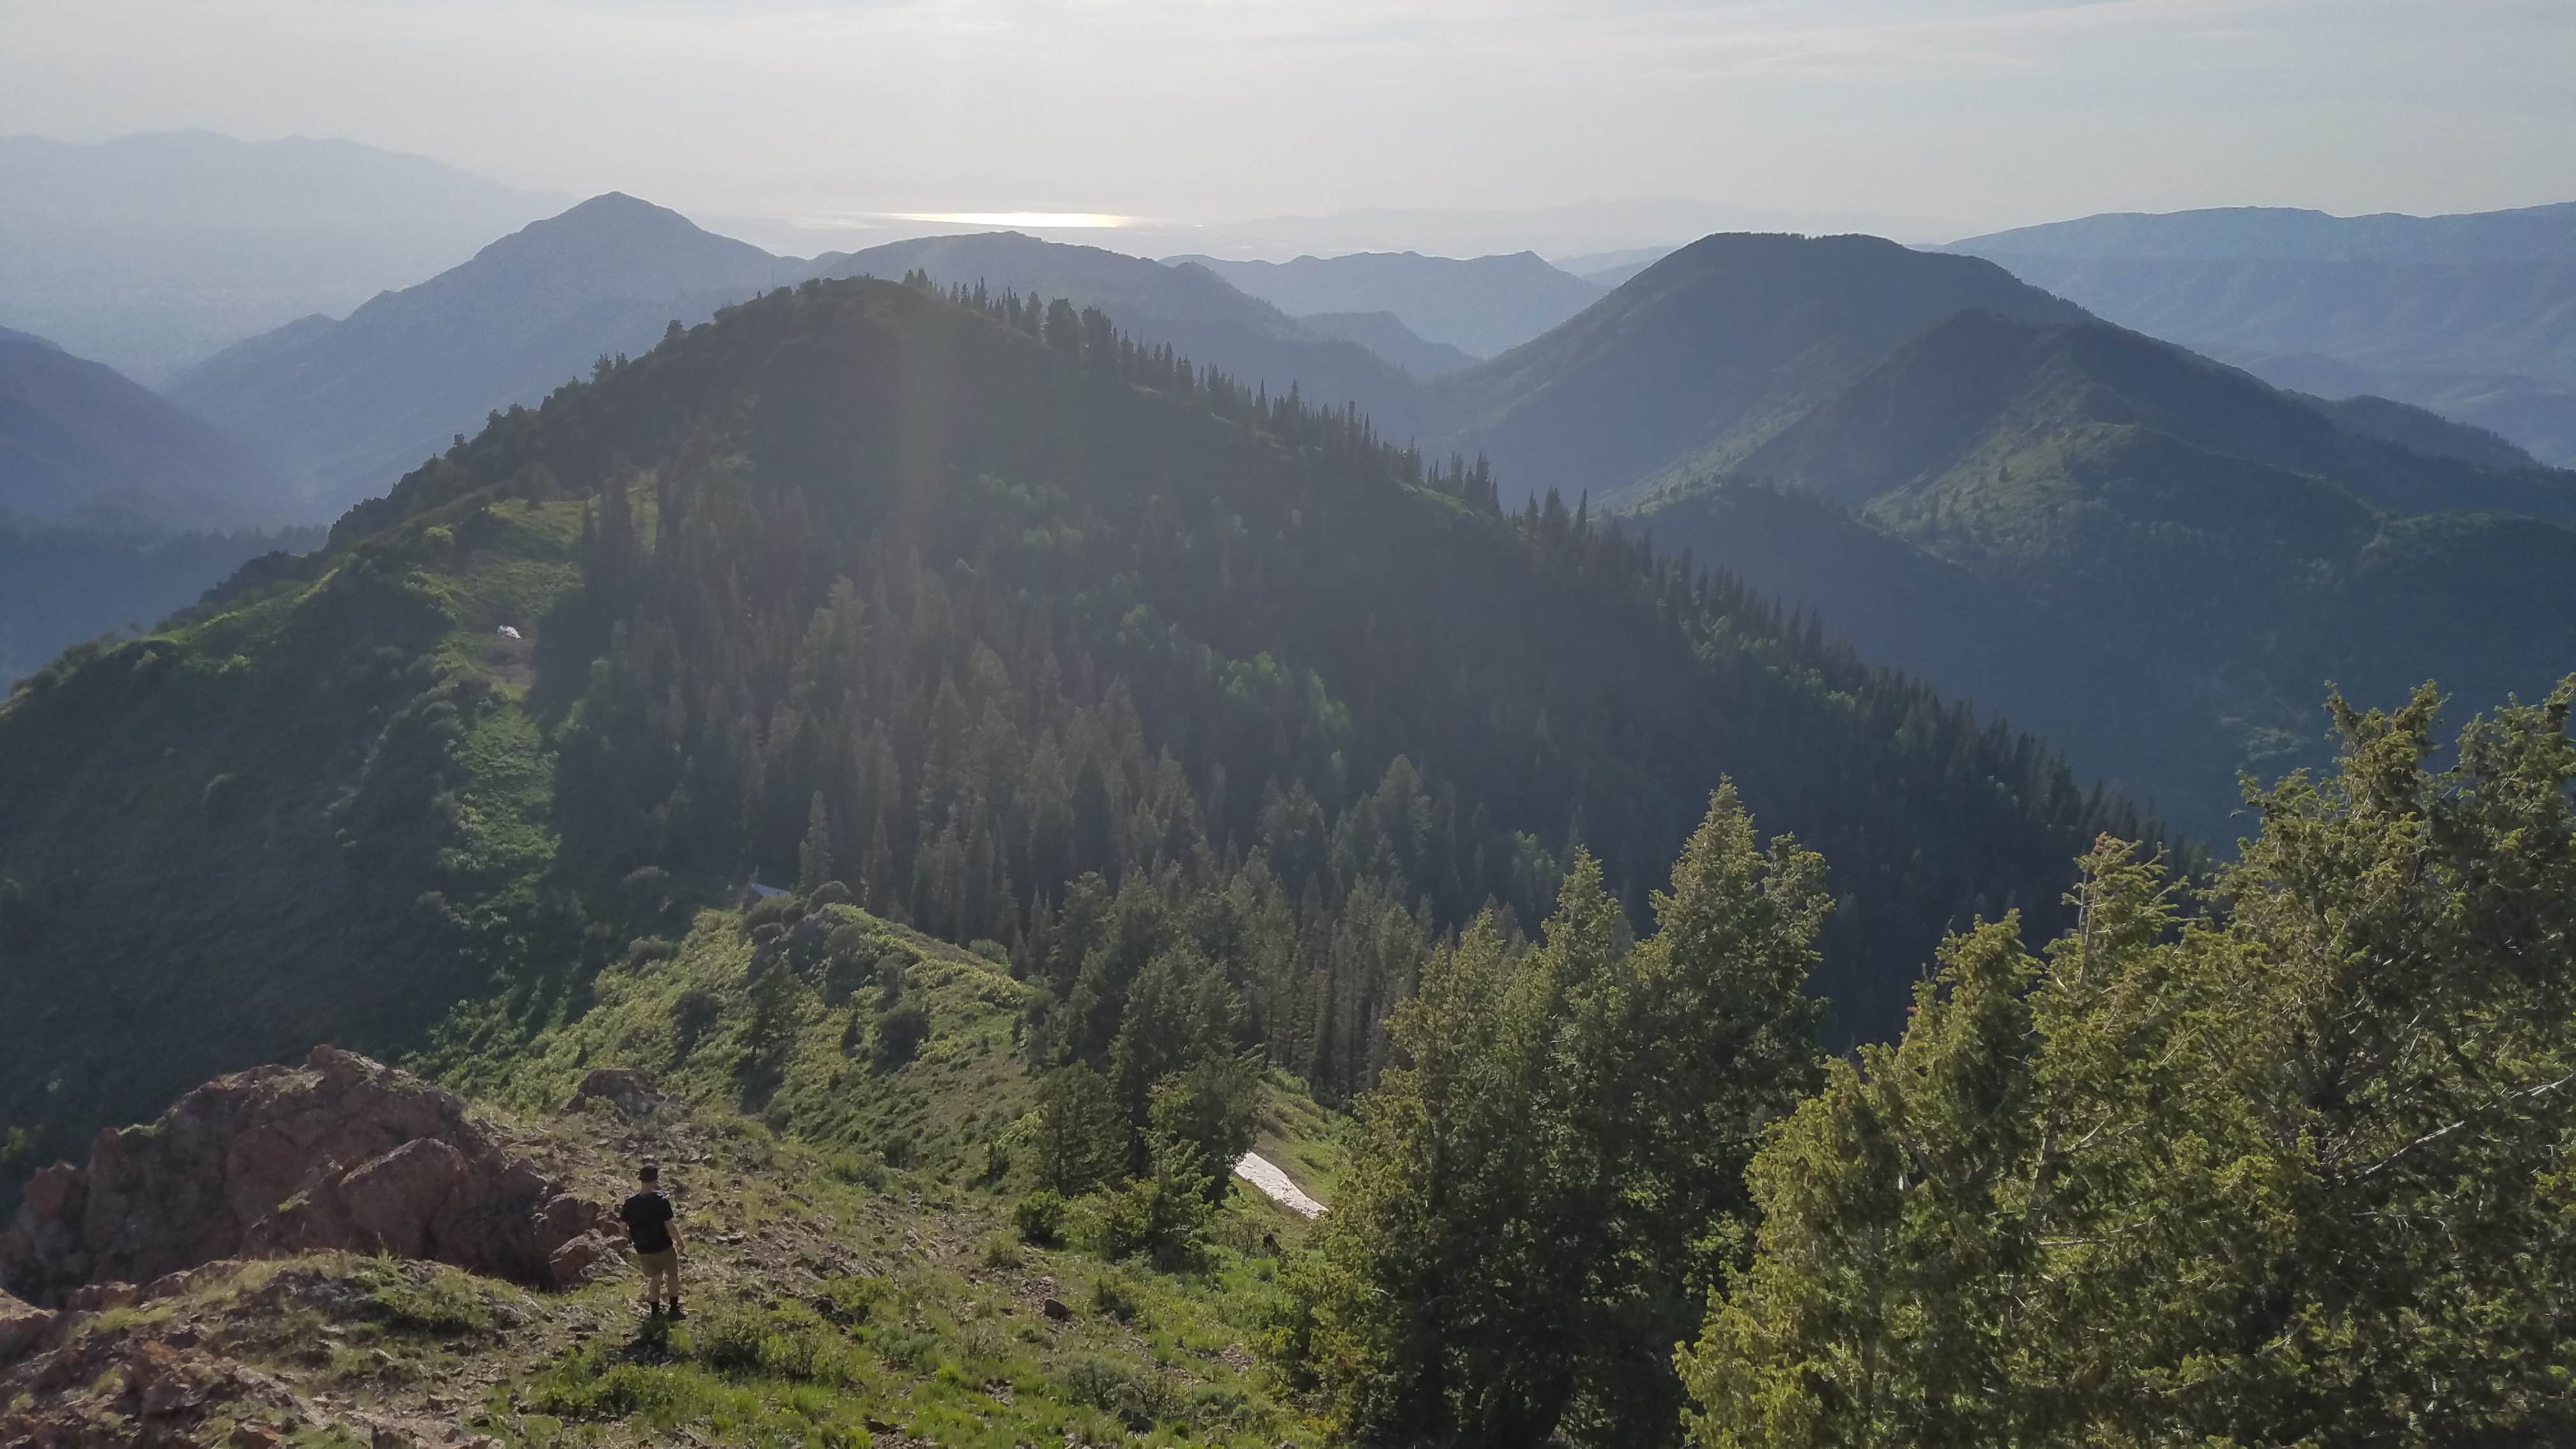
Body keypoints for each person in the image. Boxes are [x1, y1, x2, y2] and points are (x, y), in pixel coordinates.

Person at [620, 1160, 684, 1317]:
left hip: (643, 1250)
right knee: (672, 1276)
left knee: (655, 1279)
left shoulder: (630, 1203)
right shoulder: (661, 1201)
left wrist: (634, 1239)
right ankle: (674, 1309)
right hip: (663, 1247)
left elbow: (622, 1230)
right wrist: (679, 1241)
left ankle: (655, 1312)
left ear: (641, 1179)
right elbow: (669, 1226)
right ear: (655, 1180)